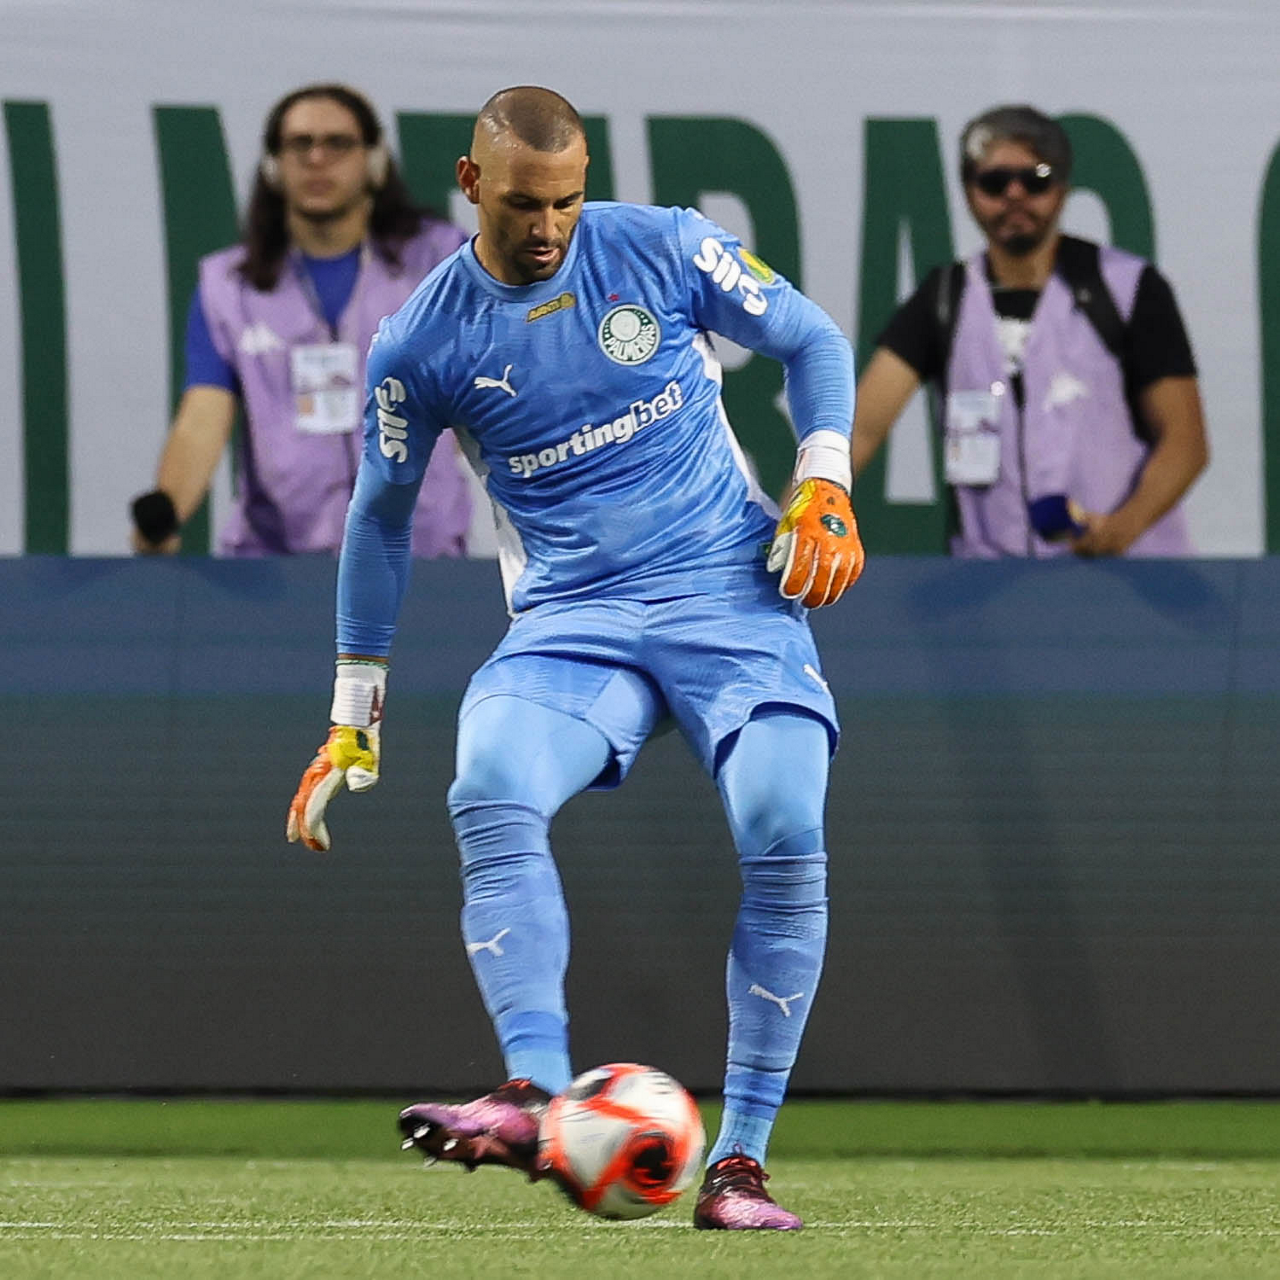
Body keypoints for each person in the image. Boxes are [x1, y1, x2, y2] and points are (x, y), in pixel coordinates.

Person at [285, 86, 864, 1230]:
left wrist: (824, 476)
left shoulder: (662, 247)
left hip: (730, 594)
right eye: (520, 204)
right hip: (574, 615)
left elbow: (810, 339)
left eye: (564, 201)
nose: (547, 227)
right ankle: (533, 1096)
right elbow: (380, 518)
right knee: (489, 776)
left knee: (782, 821)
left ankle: (738, 1165)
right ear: (470, 183)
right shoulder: (421, 340)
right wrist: (354, 709)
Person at [851, 104, 1208, 558]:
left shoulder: (1127, 287)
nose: (1015, 195)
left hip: (1123, 577)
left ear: (1062, 188)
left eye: (1035, 179)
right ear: (968, 191)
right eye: (994, 182)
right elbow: (859, 430)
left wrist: (1121, 530)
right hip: (992, 584)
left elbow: (1185, 443)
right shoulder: (943, 300)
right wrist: (790, 527)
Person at [131, 83, 471, 557]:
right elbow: (203, 416)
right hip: (277, 567)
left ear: (375, 162)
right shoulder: (230, 287)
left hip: (418, 554)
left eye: (338, 143)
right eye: (299, 144)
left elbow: (490, 386)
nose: (316, 159)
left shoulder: (440, 262)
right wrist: (166, 512)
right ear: (272, 166)